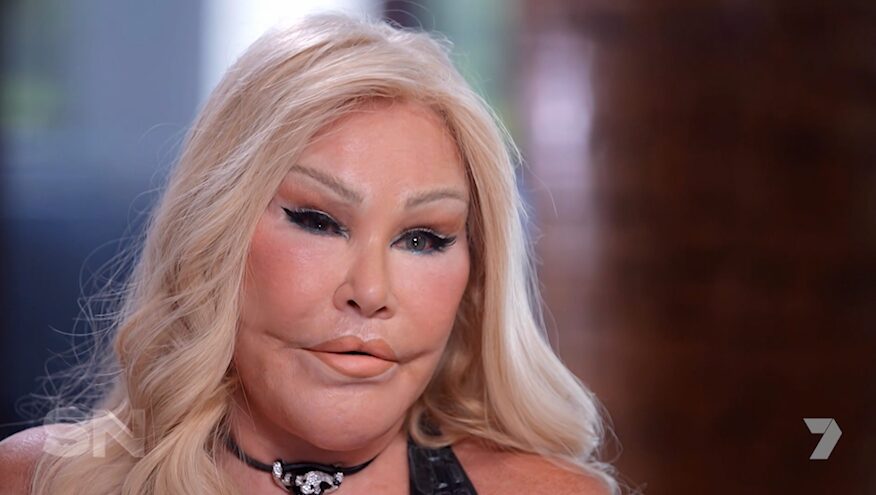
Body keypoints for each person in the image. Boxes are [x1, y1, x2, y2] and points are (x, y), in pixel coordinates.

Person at [0, 14, 618, 495]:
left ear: (475, 279)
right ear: (215, 237)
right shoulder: (37, 481)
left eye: (422, 239)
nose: (370, 292)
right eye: (319, 222)